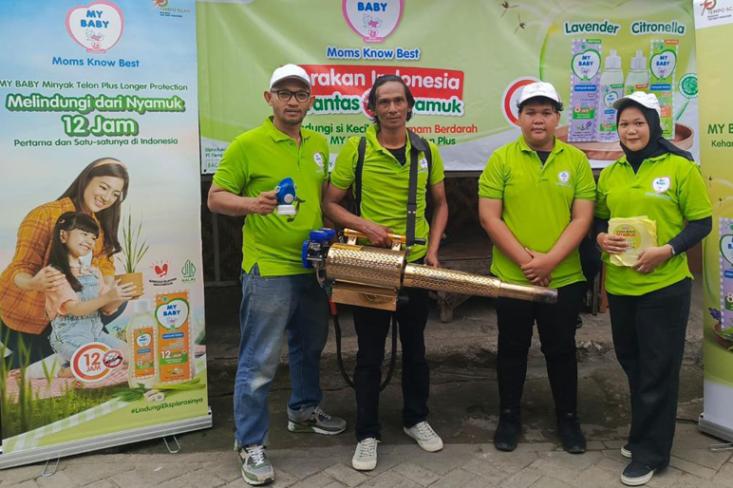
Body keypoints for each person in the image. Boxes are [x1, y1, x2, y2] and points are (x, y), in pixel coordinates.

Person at [207, 64, 346, 486]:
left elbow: (321, 200)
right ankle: (249, 443)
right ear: (268, 98)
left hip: (313, 266)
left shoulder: (320, 143)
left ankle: (303, 412)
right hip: (267, 269)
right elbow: (216, 198)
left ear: (311, 101)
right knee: (260, 361)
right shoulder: (247, 144)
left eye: (300, 94)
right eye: (283, 93)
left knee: (308, 347)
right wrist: (253, 204)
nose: (292, 101)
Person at [323, 74, 449, 471]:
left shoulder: (427, 149)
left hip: (413, 263)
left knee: (416, 348)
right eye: (384, 102)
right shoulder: (356, 147)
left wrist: (433, 249)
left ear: (410, 106)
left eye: (399, 101)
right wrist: (364, 226)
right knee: (370, 352)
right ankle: (367, 433)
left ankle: (416, 418)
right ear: (373, 109)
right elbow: (330, 204)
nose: (392, 108)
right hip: (371, 265)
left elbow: (441, 204)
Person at [595, 92, 712, 486]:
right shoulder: (611, 173)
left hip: (665, 286)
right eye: (625, 124)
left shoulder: (679, 168)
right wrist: (599, 240)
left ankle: (651, 454)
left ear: (653, 125)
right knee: (633, 362)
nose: (631, 130)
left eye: (638, 122)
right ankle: (643, 433)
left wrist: (667, 250)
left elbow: (701, 222)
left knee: (658, 370)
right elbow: (599, 219)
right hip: (622, 285)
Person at [478, 81, 595, 454]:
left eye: (546, 112)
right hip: (513, 278)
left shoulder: (575, 161)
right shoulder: (502, 159)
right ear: (520, 118)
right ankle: (509, 417)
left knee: (561, 349)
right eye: (531, 112)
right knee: (511, 349)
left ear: (557, 117)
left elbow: (582, 219)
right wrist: (530, 263)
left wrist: (550, 261)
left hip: (564, 276)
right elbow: (489, 217)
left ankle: (568, 420)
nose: (538, 120)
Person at [0, 158, 130, 368]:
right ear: (86, 180)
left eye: (115, 194)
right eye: (103, 187)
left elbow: (104, 262)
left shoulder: (98, 224)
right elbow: (20, 268)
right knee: (67, 337)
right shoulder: (45, 215)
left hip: (68, 317)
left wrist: (109, 289)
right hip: (22, 315)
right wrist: (35, 283)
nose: (107, 198)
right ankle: (22, 363)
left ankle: (79, 353)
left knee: (120, 300)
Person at [45, 212, 135, 365]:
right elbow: (75, 308)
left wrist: (121, 296)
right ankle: (58, 368)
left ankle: (69, 365)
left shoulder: (93, 272)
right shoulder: (53, 274)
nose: (90, 241)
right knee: (101, 362)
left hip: (97, 334)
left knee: (131, 356)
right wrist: (108, 296)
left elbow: (106, 309)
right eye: (84, 234)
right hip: (68, 339)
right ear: (63, 235)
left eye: (93, 238)